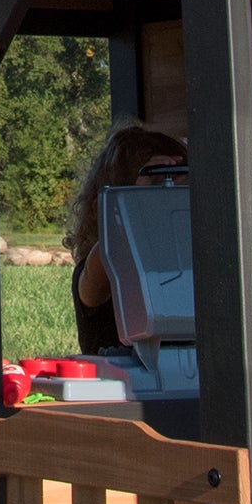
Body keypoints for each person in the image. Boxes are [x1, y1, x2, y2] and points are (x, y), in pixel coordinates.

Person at [63, 122, 190, 354]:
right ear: (100, 209)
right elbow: (114, 246)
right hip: (125, 387)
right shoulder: (99, 266)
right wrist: (136, 203)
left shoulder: (190, 267)